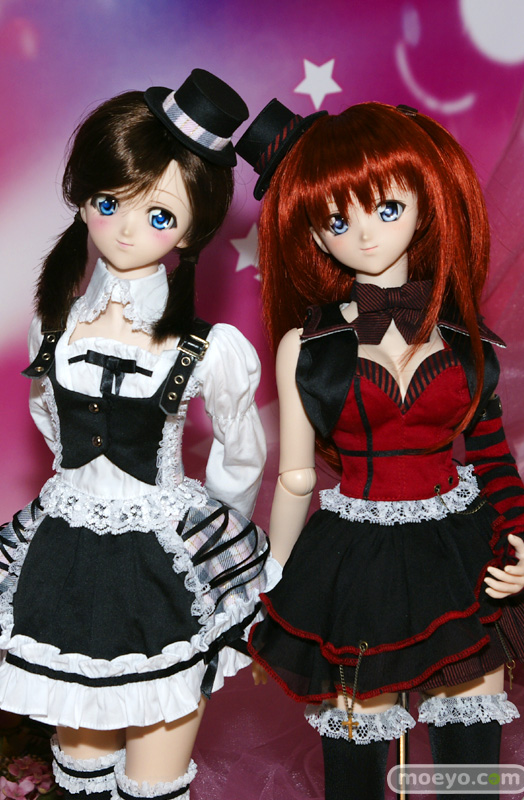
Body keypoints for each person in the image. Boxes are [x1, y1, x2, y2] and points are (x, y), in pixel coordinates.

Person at [236, 100, 524, 800]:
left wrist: (522, 542)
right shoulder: (307, 346)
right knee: (357, 754)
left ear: (424, 204)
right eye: (338, 221)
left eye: (386, 209)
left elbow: (493, 457)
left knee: (470, 759)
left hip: (459, 555)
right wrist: (276, 593)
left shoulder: (464, 337)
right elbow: (295, 478)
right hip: (353, 562)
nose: (365, 234)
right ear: (313, 232)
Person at [0, 69, 279, 800]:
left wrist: (211, 549)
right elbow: (51, 423)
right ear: (82, 201)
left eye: (158, 215)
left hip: (161, 565)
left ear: (191, 229)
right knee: (79, 761)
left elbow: (240, 455)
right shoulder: (52, 330)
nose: (126, 229)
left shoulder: (207, 348)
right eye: (108, 202)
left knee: (154, 775)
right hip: (65, 558)